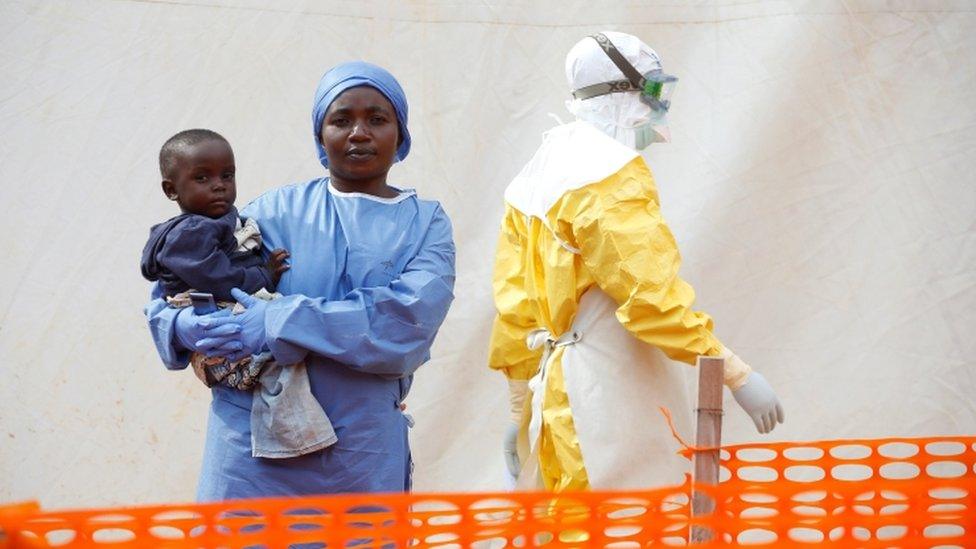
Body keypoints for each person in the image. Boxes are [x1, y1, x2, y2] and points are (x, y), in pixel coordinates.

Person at [145, 62, 456, 500]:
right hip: (249, 458)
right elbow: (174, 281)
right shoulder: (268, 212)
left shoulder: (425, 224)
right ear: (320, 137)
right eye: (341, 120)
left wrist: (281, 319)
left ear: (400, 134)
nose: (359, 133)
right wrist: (180, 327)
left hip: (360, 455)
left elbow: (405, 324)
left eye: (377, 119)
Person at [488, 32, 784, 492]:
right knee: (622, 522)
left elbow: (516, 310)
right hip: (604, 394)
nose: (660, 109)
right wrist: (736, 374)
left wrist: (517, 409)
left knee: (571, 520)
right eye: (654, 92)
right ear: (625, 95)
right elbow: (652, 302)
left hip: (558, 392)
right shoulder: (608, 175)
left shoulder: (535, 173)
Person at [141, 129, 335, 461]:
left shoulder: (217, 221)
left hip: (223, 303)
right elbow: (216, 278)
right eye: (202, 177)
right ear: (171, 189)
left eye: (227, 175)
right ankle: (297, 437)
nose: (219, 185)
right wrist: (264, 275)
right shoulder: (191, 230)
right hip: (214, 309)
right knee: (280, 361)